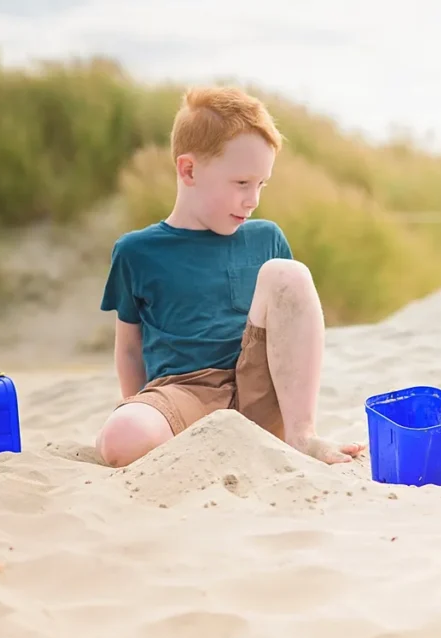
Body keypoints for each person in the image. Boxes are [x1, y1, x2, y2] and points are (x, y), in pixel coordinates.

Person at [94, 86, 362, 468]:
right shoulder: (136, 251)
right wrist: (138, 406)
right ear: (188, 170)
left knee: (288, 273)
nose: (253, 199)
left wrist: (295, 419)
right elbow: (129, 348)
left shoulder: (266, 237)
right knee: (122, 437)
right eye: (241, 183)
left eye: (261, 184)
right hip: (184, 392)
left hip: (259, 389)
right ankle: (177, 439)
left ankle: (301, 436)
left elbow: (290, 328)